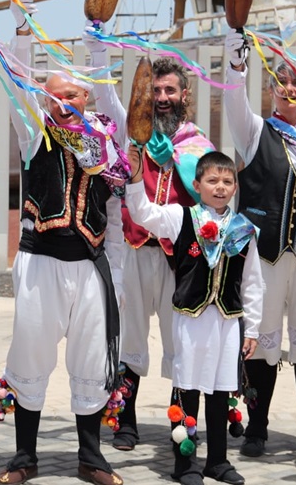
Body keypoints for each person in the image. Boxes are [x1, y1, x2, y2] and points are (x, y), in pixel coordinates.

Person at [0, 20, 129, 485]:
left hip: (90, 264)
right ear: (43, 98)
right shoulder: (34, 131)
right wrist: (23, 20)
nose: (64, 103)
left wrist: (118, 278)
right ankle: (24, 457)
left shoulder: (106, 143)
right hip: (40, 262)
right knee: (30, 354)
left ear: (87, 99)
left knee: (92, 359)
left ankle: (91, 457)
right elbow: (15, 74)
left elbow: (112, 213)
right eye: (55, 96)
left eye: (73, 96)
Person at [223, 32, 296, 461]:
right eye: (281, 81)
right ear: (271, 86)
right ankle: (256, 427)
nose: (289, 89)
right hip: (264, 256)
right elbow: (234, 100)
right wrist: (235, 62)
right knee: (261, 345)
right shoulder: (255, 131)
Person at [125, 147, 263, 485]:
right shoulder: (180, 217)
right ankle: (184, 463)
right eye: (212, 180)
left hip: (228, 321)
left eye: (227, 181)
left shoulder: (244, 229)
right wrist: (134, 177)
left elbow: (253, 282)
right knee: (187, 387)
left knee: (220, 390)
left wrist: (253, 329)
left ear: (235, 187)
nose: (220, 187)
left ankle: (217, 461)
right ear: (197, 184)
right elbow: (142, 212)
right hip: (190, 318)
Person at [113, 57, 214, 451]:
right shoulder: (134, 136)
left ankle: (180, 426)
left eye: (169, 90)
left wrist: (178, 160)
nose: (162, 98)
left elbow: (210, 189)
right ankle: (125, 421)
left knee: (181, 342)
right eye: (155, 91)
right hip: (137, 248)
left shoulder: (197, 141)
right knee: (131, 338)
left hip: (180, 257)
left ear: (184, 94)